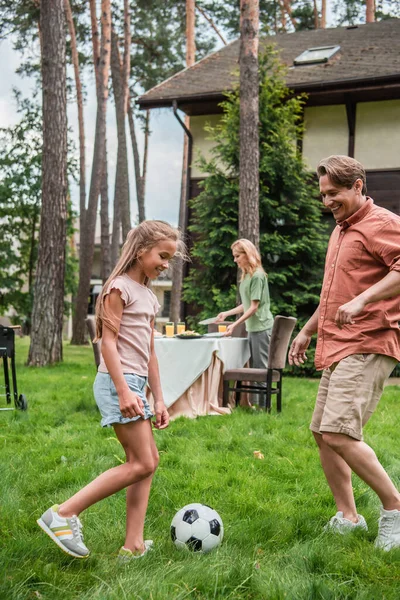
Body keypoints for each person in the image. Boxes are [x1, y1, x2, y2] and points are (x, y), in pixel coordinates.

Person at [37, 220, 181, 561]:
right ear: (141, 250)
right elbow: (108, 343)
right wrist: (124, 391)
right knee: (143, 462)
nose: (165, 264)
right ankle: (64, 514)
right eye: (162, 255)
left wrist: (158, 398)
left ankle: (133, 545)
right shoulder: (118, 288)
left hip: (135, 384)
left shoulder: (147, 295)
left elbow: (150, 352)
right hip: (118, 383)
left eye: (170, 259)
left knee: (146, 461)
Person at [289, 155, 400, 551]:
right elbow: (334, 295)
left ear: (357, 186)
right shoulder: (340, 231)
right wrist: (305, 332)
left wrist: (363, 301)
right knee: (323, 433)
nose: (326, 202)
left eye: (333, 193)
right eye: (322, 195)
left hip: (369, 340)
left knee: (339, 431)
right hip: (337, 343)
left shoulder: (382, 223)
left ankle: (395, 508)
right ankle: (349, 517)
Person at [216, 239, 274, 399]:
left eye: (237, 256)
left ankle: (263, 407)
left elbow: (254, 307)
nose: (235, 260)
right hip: (252, 328)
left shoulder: (257, 276)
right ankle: (255, 405)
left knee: (261, 368)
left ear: (247, 254)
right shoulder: (247, 276)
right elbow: (246, 305)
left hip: (261, 327)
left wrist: (234, 325)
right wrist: (226, 313)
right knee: (255, 367)